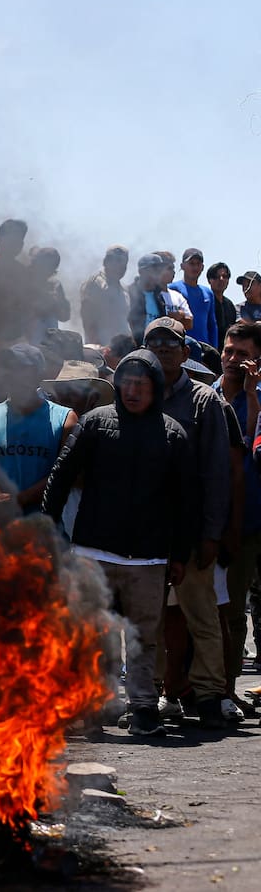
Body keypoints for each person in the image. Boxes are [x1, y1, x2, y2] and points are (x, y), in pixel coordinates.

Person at [42, 349, 194, 737]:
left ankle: (142, 708)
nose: (132, 390)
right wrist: (47, 529)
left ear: (155, 388)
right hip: (93, 551)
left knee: (143, 637)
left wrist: (180, 554)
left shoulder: (173, 434)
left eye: (141, 384)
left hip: (148, 558)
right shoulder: (94, 423)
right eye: (126, 382)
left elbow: (185, 500)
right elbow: (61, 476)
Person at [143, 316, 232, 729]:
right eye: (154, 342)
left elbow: (218, 472)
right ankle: (151, 695)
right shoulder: (136, 394)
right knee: (150, 619)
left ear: (185, 352)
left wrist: (213, 533)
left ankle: (210, 694)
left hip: (193, 530)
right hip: (148, 533)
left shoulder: (204, 400)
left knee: (202, 616)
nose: (162, 348)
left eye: (170, 343)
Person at [0, 344, 77, 513]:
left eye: (20, 368)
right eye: (8, 366)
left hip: (45, 524)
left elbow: (67, 473)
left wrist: (21, 499)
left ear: (38, 374)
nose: (11, 373)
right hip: (1, 523)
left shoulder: (65, 419)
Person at [216, 322, 261, 715]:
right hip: (205, 520)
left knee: (232, 611)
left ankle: (226, 690)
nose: (232, 360)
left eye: (242, 354)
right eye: (228, 351)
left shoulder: (258, 400)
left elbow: (249, 450)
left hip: (246, 523)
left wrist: (250, 396)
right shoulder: (205, 395)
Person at [128, 253, 193, 342]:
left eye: (159, 270)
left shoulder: (159, 297)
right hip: (136, 347)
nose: (157, 274)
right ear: (141, 271)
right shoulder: (130, 293)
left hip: (155, 346)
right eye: (153, 270)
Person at [79, 245, 132, 345]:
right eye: (114, 261)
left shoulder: (124, 289)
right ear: (105, 262)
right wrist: (96, 346)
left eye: (123, 262)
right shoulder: (96, 283)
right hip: (102, 347)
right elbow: (88, 317)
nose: (119, 266)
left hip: (122, 348)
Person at [169, 248, 219, 348]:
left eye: (198, 264)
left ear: (202, 267)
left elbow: (212, 325)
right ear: (182, 266)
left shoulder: (208, 293)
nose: (195, 267)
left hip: (203, 347)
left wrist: (214, 348)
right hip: (181, 346)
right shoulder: (172, 289)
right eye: (191, 263)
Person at [26, 247, 70, 343]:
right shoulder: (24, 280)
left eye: (51, 269)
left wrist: (57, 303)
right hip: (26, 339)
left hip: (49, 340)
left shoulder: (55, 285)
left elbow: (65, 316)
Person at [207, 263, 237, 350]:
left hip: (225, 351)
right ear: (209, 280)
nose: (221, 279)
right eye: (216, 277)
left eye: (225, 276)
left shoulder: (229, 305)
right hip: (208, 350)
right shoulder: (205, 302)